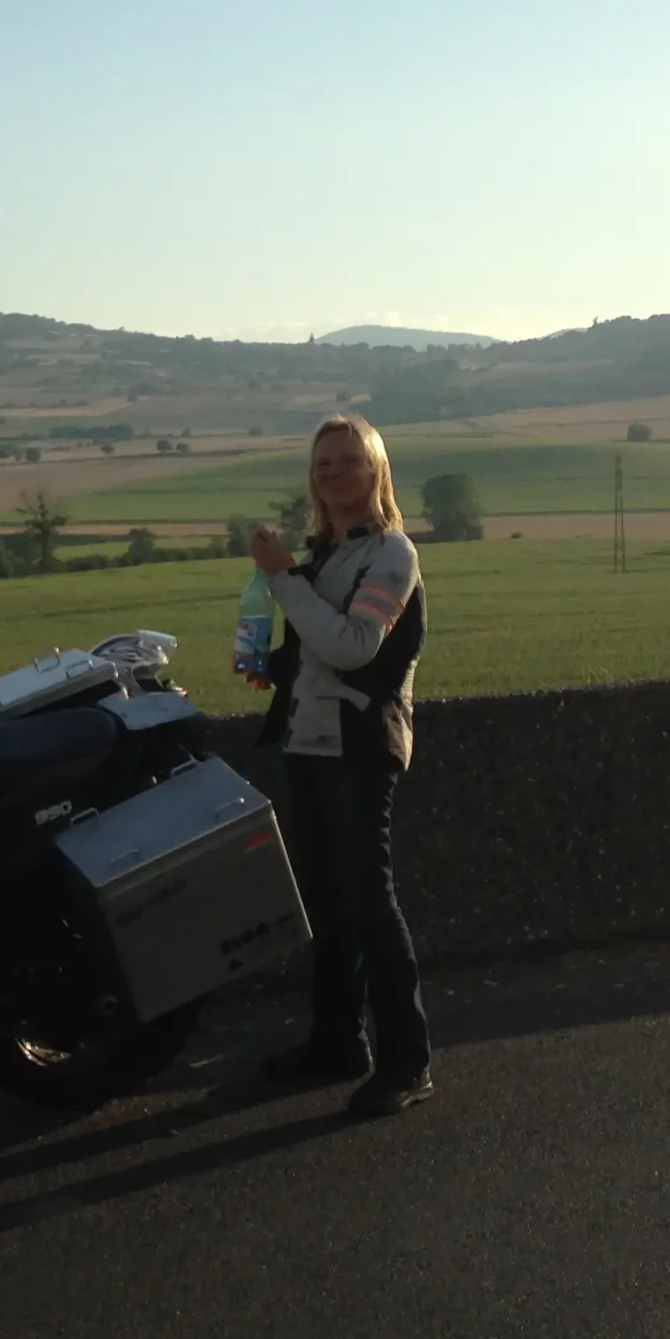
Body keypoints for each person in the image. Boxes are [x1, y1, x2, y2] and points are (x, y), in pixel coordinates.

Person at [243, 413, 433, 1116]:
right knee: (327, 903)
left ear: (376, 472)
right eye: (323, 463)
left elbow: (354, 645)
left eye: (349, 461)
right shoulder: (329, 553)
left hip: (357, 748)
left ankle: (407, 1061)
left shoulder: (391, 554)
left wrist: (282, 579)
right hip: (309, 741)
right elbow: (322, 646)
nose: (333, 474)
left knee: (369, 902)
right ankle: (337, 1040)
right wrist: (279, 666)